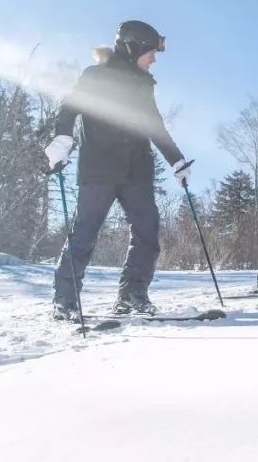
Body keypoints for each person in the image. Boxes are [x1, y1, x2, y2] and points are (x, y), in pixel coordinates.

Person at [44, 20, 191, 318]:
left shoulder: (144, 85)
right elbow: (71, 106)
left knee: (147, 232)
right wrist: (62, 137)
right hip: (99, 166)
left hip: (137, 170)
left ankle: (133, 295)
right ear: (132, 47)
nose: (154, 59)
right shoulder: (96, 75)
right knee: (84, 232)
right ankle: (65, 300)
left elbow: (155, 126)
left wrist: (176, 160)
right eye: (150, 52)